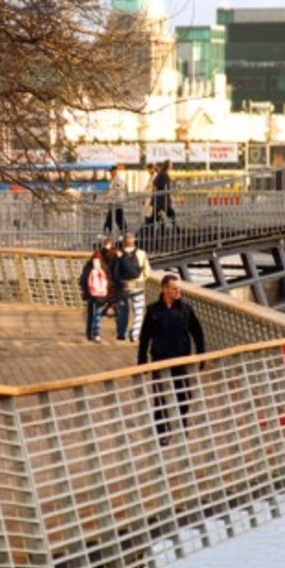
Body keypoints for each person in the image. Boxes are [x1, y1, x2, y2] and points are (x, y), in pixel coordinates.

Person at [137, 273, 205, 442]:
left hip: (181, 359)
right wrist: (142, 360)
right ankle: (162, 433)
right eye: (175, 289)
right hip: (160, 360)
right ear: (165, 289)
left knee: (184, 396)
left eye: (179, 288)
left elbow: (197, 333)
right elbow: (145, 337)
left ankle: (181, 426)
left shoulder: (186, 309)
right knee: (161, 397)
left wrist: (201, 354)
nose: (178, 291)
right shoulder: (153, 310)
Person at [111, 232, 151, 342]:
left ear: (123, 241)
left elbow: (113, 271)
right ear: (134, 240)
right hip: (138, 285)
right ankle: (135, 334)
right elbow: (147, 272)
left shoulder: (118, 254)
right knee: (138, 311)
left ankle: (121, 334)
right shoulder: (142, 253)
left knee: (122, 311)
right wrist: (141, 279)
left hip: (123, 286)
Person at [78, 249, 110, 342]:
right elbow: (108, 281)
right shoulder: (104, 267)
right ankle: (97, 333)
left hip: (90, 294)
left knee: (90, 313)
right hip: (101, 295)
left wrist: (85, 292)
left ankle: (89, 333)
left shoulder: (88, 267)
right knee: (98, 314)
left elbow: (82, 280)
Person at [103, 165, 128, 235]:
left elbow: (116, 190)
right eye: (110, 172)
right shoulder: (114, 179)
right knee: (115, 219)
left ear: (115, 171)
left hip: (117, 202)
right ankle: (108, 232)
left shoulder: (118, 179)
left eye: (111, 171)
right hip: (113, 203)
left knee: (117, 219)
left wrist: (108, 195)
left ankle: (108, 232)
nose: (110, 173)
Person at [152, 159, 175, 225]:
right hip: (162, 200)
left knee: (160, 217)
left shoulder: (162, 173)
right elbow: (166, 188)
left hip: (160, 200)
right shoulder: (164, 174)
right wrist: (170, 196)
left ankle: (164, 231)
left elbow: (155, 185)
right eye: (171, 164)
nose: (172, 166)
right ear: (168, 165)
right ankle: (176, 229)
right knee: (171, 213)